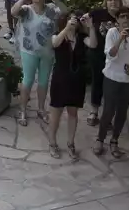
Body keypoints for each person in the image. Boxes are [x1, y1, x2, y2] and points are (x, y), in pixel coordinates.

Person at [94, 6, 129, 158]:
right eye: (122, 17)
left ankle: (114, 141)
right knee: (108, 110)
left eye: (127, 17)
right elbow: (110, 54)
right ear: (117, 20)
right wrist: (121, 39)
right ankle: (100, 139)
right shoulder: (112, 33)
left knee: (122, 111)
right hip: (112, 77)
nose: (125, 19)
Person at [47, 12, 97, 160]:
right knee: (55, 113)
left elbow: (93, 44)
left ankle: (70, 143)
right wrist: (66, 29)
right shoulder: (58, 35)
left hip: (76, 80)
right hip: (60, 79)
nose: (73, 21)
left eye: (75, 19)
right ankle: (52, 143)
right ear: (65, 20)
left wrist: (91, 27)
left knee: (73, 113)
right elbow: (55, 44)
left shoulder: (81, 38)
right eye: (70, 18)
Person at [10, 0, 62, 126]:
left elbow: (65, 10)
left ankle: (41, 109)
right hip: (29, 51)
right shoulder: (26, 10)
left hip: (47, 52)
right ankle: (22, 111)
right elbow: (13, 11)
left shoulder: (51, 9)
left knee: (44, 81)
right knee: (27, 80)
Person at [86, 0, 122, 126]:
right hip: (98, 55)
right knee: (97, 82)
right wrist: (88, 37)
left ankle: (107, 116)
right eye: (110, 0)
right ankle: (94, 111)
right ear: (105, 3)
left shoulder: (124, 16)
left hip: (115, 58)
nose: (113, 2)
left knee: (111, 86)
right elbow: (83, 21)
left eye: (116, 0)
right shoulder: (98, 13)